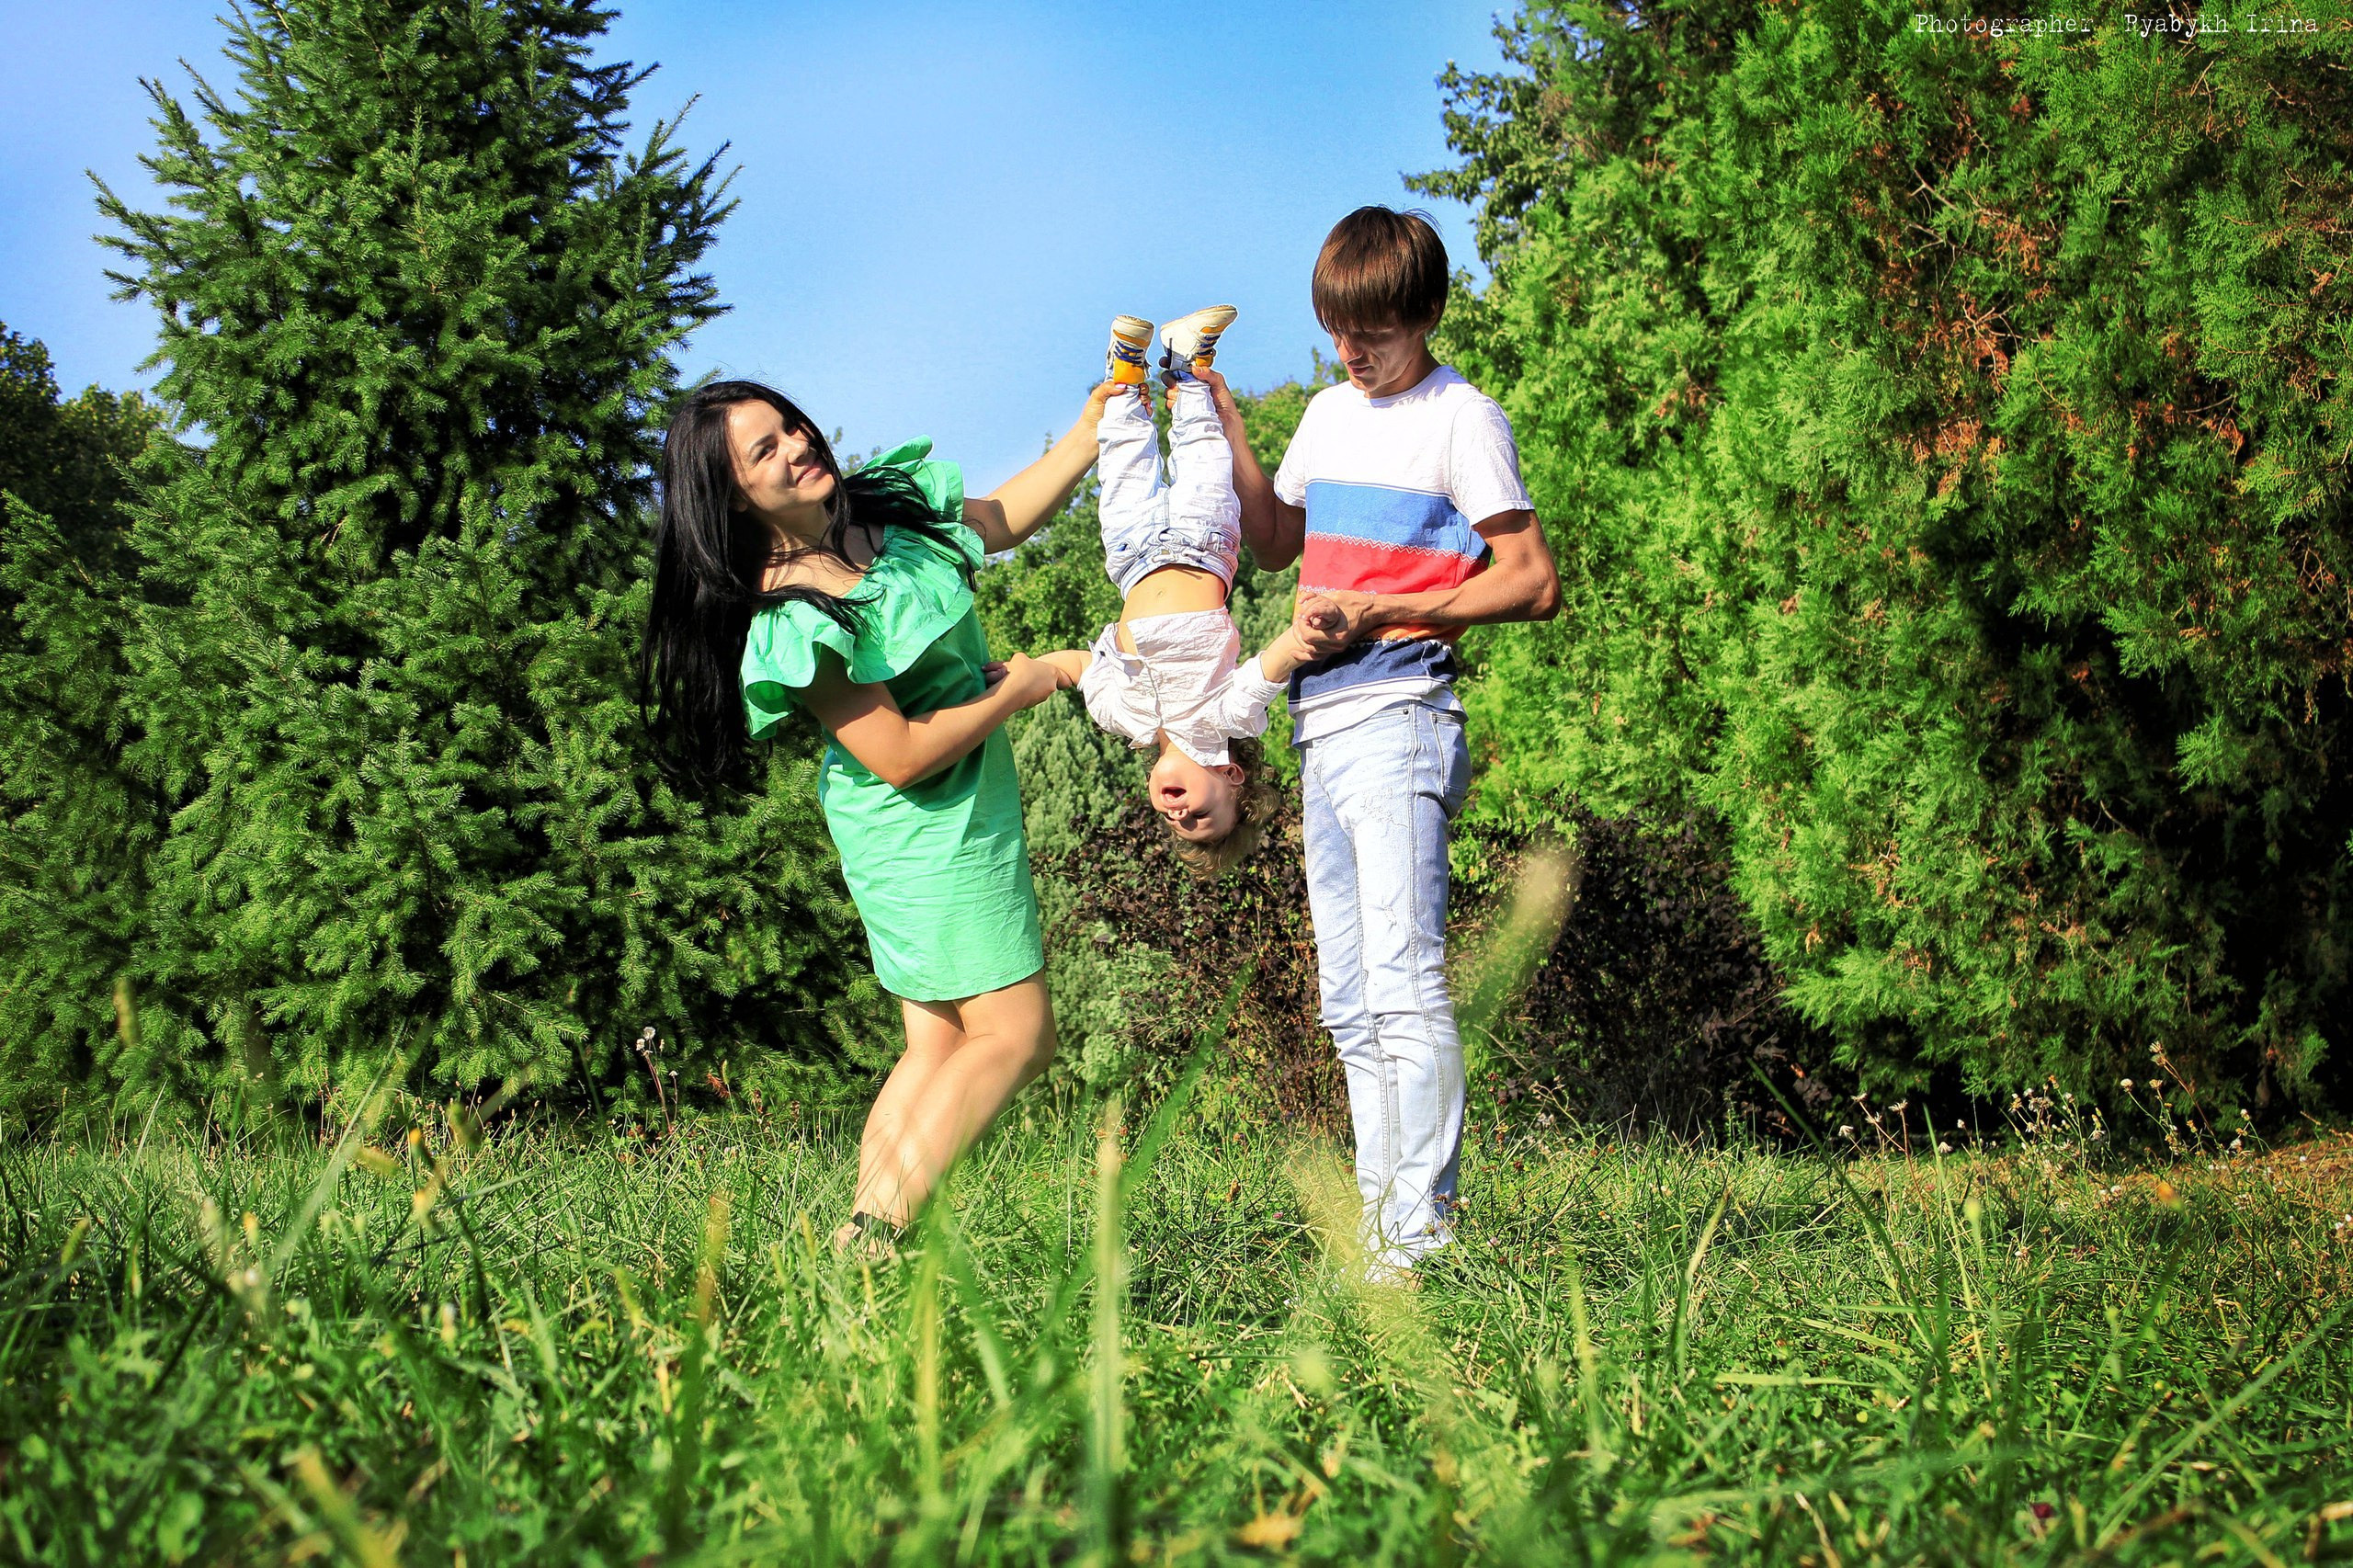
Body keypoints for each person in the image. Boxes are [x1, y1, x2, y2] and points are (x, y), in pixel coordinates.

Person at [641, 378, 1107, 1252]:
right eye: (764, 451)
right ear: (731, 494)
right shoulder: (789, 614)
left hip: (964, 808)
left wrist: (1089, 431)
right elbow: (897, 754)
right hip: (918, 828)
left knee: (937, 1045)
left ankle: (853, 1258)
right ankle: (878, 1234)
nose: (795, 448)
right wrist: (1037, 679)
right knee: (1018, 1034)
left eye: (790, 427)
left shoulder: (881, 511)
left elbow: (1002, 516)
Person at [1208, 207, 1562, 1277]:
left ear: (1427, 315)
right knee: (1348, 998)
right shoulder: (1326, 411)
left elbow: (1532, 580)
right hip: (1323, 721)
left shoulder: (1463, 419)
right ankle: (1382, 1232)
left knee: (1404, 984)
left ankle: (1421, 1237)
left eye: (1376, 333)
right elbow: (1278, 541)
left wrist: (1385, 615)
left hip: (1404, 711)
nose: (1354, 353)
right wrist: (1221, 418)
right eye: (1336, 332)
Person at [1040, 308, 1338, 877]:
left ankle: (1126, 376)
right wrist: (1304, 637)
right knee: (1204, 449)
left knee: (1124, 461)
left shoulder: (1120, 717)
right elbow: (1267, 671)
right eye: (1200, 818)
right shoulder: (1225, 720)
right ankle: (1188, 364)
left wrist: (1027, 669)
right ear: (1231, 777)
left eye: (1174, 824)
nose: (1179, 816)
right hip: (1206, 544)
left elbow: (1081, 666)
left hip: (1132, 555)